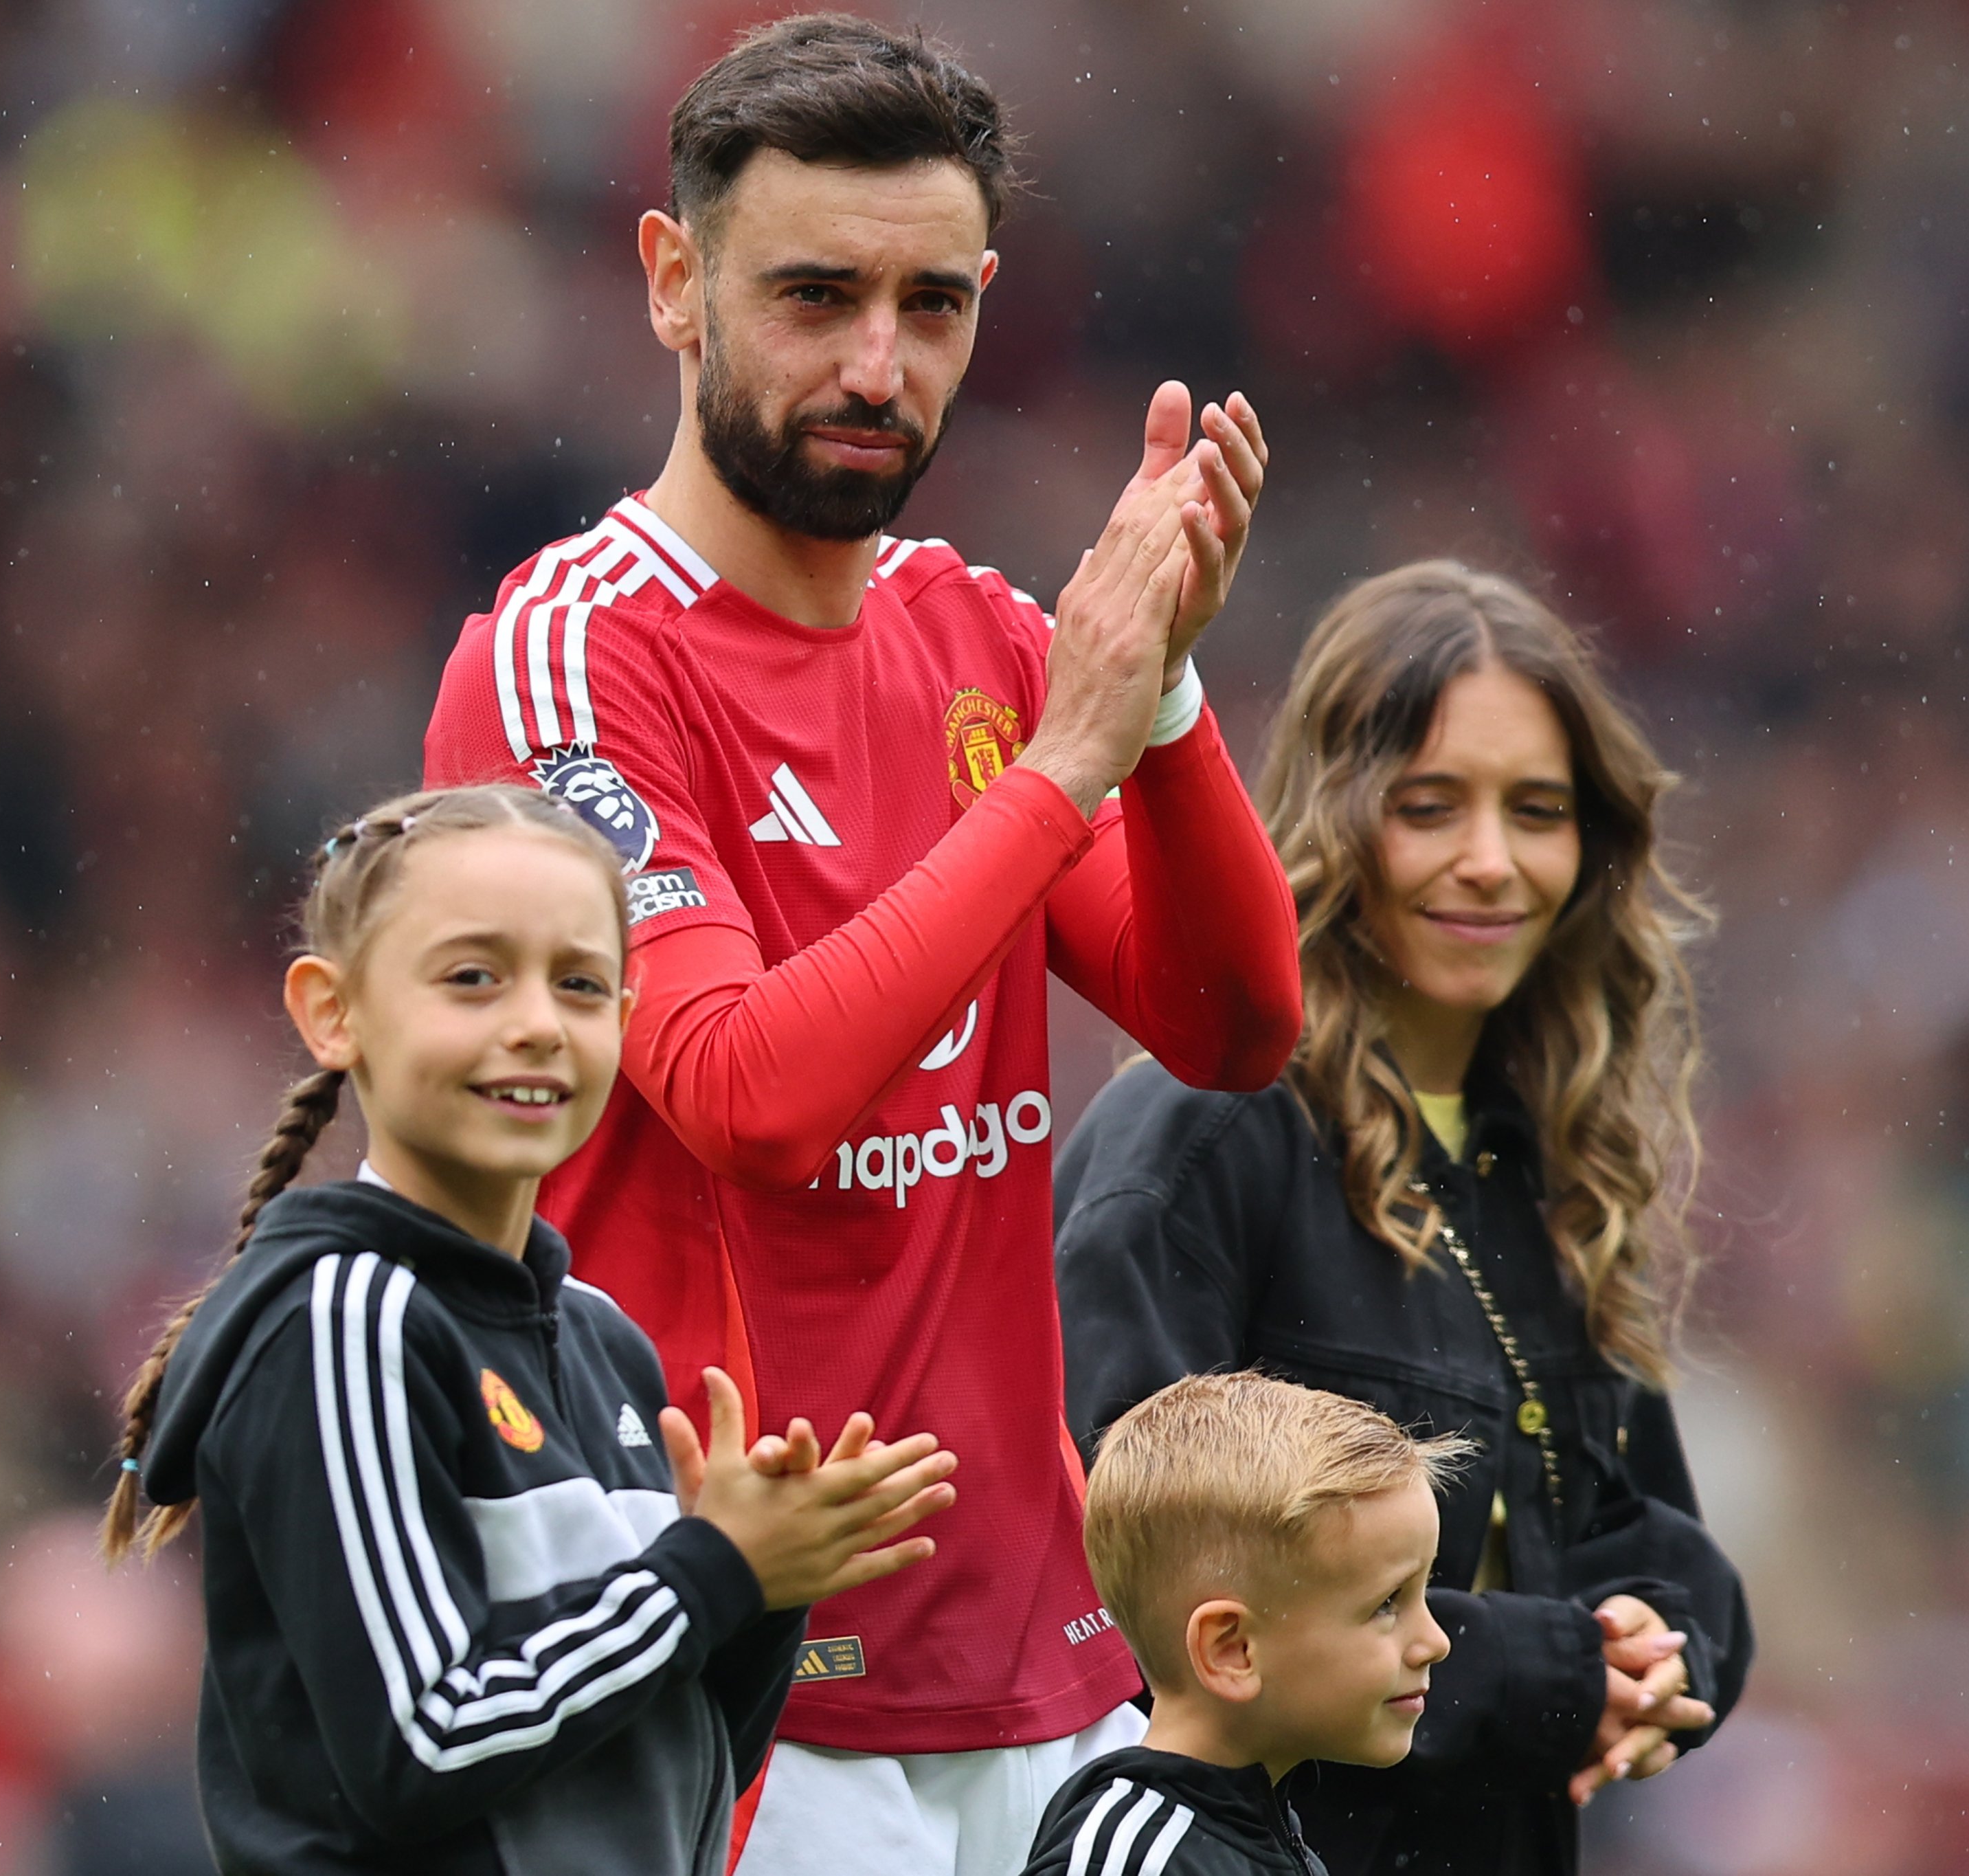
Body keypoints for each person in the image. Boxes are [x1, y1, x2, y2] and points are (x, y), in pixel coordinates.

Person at [421, 17, 1303, 1874]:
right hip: (739, 1671)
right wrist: (1066, 760)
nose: (876, 366)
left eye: (928, 304)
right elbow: (747, 1091)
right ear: (672, 281)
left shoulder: (976, 637)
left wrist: (1155, 699)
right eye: (812, 296)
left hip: (1041, 1656)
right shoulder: (573, 654)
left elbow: (1231, 1026)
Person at [101, 785, 960, 1876]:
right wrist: (707, 1569)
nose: (535, 1023)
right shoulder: (345, 1323)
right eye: (471, 978)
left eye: (580, 984)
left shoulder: (603, 1338)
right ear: (333, 1012)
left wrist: (760, 1596)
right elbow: (428, 1739)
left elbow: (669, 1758)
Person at [1054, 563, 1754, 1876]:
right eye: (1429, 808)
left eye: (1537, 812)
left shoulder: (1544, 1157)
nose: (1489, 863)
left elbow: (1651, 1530)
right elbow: (1132, 1564)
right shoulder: (1202, 1129)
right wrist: (1562, 1669)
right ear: (1333, 824)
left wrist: (1662, 1653)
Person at [1017, 1372, 1468, 1876]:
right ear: (1232, 1650)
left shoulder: (1266, 1838)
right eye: (1387, 1603)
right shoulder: (1130, 1863)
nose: (1436, 1642)